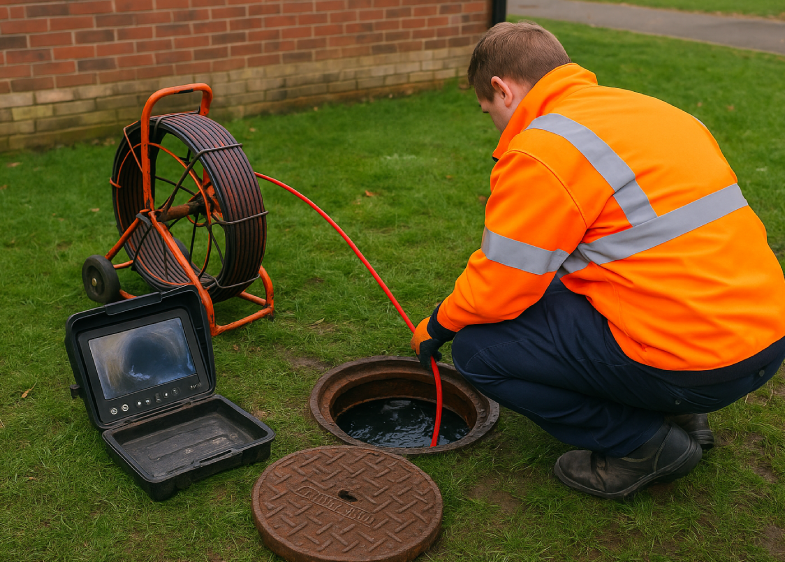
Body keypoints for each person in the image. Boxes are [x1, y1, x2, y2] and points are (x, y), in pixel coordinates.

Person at [410, 21, 785, 500]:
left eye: (490, 111)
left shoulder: (546, 148)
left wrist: (439, 325)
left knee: (478, 353)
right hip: (764, 335)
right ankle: (678, 411)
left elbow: (501, 284)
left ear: (502, 90)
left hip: (694, 362)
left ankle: (643, 444)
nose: (496, 124)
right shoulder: (652, 111)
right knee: (555, 289)